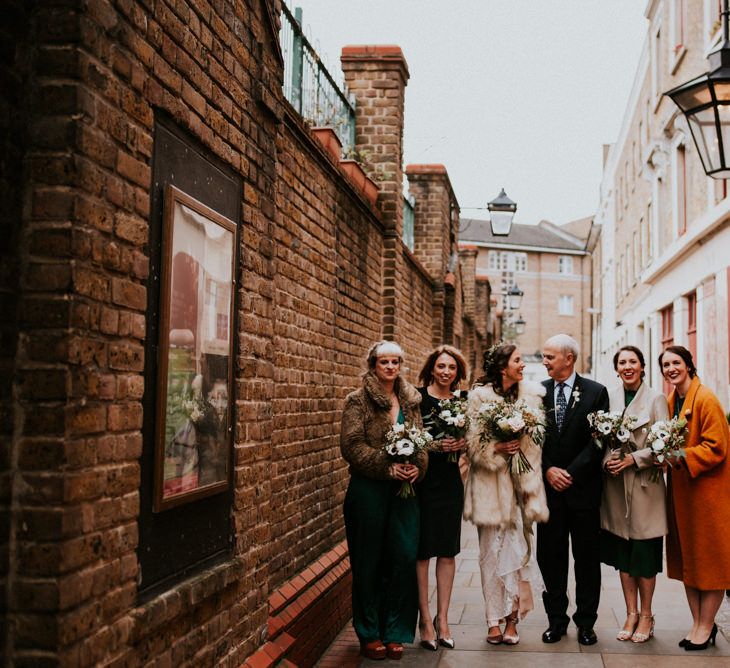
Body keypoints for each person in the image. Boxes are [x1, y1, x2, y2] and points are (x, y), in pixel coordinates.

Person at [340, 341, 428, 661]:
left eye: (395, 362)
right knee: (369, 562)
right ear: (373, 365)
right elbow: (351, 445)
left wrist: (416, 467)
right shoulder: (358, 401)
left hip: (405, 493)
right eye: (383, 362)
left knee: (403, 558)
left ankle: (396, 631)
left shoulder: (411, 400)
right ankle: (370, 632)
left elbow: (421, 442)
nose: (390, 367)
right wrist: (386, 466)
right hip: (369, 493)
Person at [464, 344, 548, 646]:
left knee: (519, 555)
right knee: (489, 556)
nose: (522, 364)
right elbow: (472, 443)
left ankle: (513, 619)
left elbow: (536, 446)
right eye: (517, 360)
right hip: (489, 488)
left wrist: (530, 488)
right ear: (502, 367)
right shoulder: (479, 398)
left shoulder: (531, 397)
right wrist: (496, 448)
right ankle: (492, 621)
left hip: (520, 489)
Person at [537, 334, 609, 646]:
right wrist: (548, 469)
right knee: (550, 557)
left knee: (587, 560)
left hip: (583, 492)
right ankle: (556, 620)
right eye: (544, 356)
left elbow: (599, 440)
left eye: (550, 356)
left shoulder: (596, 392)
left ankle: (586, 623)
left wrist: (570, 472)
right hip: (549, 492)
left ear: (569, 358)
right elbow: (530, 439)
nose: (545, 362)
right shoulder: (537, 393)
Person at [659, 345, 730, 651]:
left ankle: (705, 626)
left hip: (708, 495)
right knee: (690, 560)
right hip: (683, 494)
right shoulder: (673, 400)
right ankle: (699, 623)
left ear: (688, 365)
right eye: (666, 365)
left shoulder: (706, 399)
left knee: (711, 562)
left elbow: (717, 447)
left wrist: (679, 454)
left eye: (676, 363)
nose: (671, 368)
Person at [600, 345, 669, 643]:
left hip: (645, 489)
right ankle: (630, 613)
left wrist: (633, 459)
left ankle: (647, 615)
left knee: (644, 556)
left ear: (642, 366)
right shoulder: (609, 397)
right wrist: (608, 461)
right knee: (624, 557)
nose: (628, 367)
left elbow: (664, 445)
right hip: (616, 488)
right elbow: (600, 441)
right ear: (616, 368)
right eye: (622, 362)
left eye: (633, 362)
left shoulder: (656, 399)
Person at [415, 345, 468, 651]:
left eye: (451, 368)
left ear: (457, 373)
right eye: (441, 366)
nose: (446, 372)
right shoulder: (417, 398)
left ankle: (443, 619)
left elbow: (474, 440)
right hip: (423, 482)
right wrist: (437, 447)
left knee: (447, 552)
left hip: (449, 484)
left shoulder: (462, 403)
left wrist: (465, 444)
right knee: (422, 552)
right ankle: (424, 619)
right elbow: (411, 437)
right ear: (432, 369)